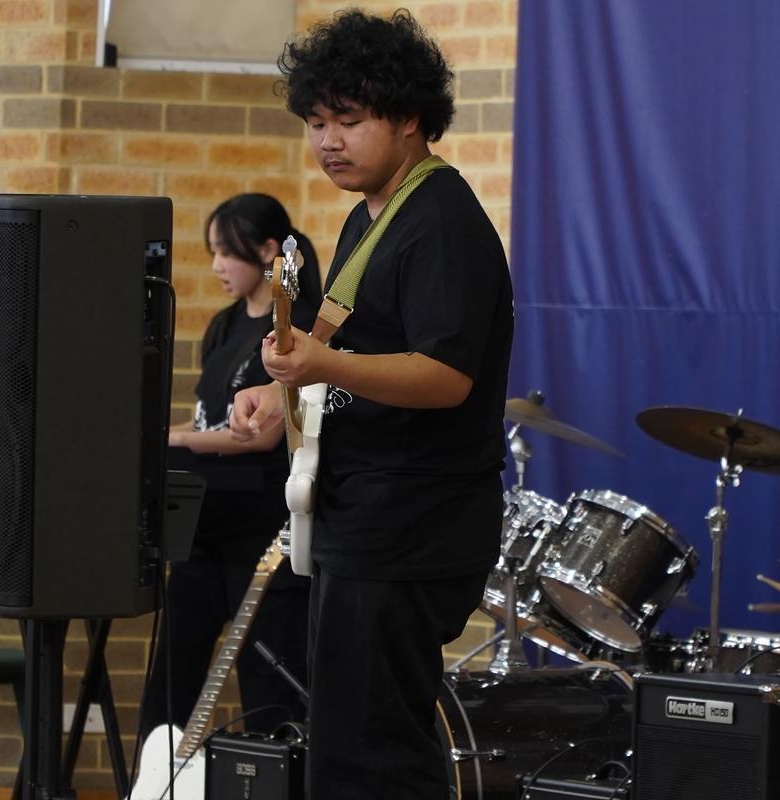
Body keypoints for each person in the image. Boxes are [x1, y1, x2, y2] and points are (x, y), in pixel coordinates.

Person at [230, 9, 514, 798]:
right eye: (317, 123)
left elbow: (445, 376)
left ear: (410, 117)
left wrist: (321, 364)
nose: (328, 142)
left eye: (349, 121)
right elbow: (330, 339)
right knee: (346, 746)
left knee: (376, 758)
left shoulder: (442, 222)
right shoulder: (372, 215)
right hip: (366, 512)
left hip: (413, 518)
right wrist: (275, 386)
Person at [139, 193, 321, 740]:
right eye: (212, 252)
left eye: (226, 252)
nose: (216, 265)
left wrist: (169, 438)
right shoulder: (223, 325)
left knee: (267, 687)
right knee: (172, 675)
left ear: (267, 251)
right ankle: (158, 772)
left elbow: (260, 435)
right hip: (206, 524)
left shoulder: (296, 325)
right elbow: (208, 419)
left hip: (263, 533)